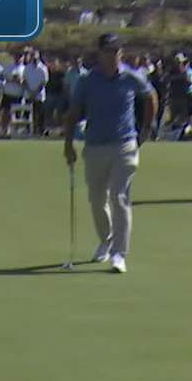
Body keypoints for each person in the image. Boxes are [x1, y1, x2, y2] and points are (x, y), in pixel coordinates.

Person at [61, 33, 154, 275]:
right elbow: (73, 113)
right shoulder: (86, 81)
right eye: (108, 51)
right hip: (94, 145)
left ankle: (119, 254)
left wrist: (146, 129)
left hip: (125, 144)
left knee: (119, 197)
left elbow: (150, 97)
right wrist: (68, 144)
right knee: (96, 199)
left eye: (116, 51)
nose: (112, 56)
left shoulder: (132, 77)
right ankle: (106, 239)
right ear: (99, 53)